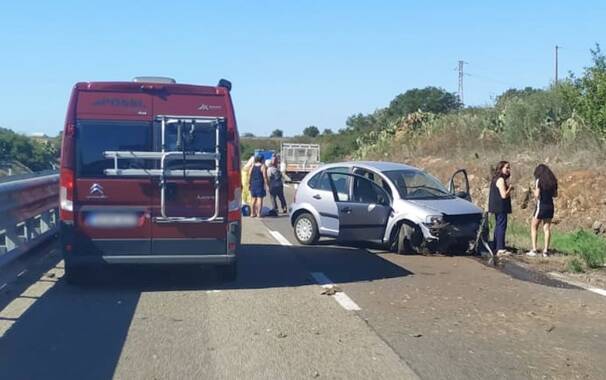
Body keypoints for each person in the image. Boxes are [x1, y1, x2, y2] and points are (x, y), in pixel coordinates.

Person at [527, 164, 558, 257]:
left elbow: (537, 195)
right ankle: (545, 251)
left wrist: (532, 190)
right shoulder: (553, 181)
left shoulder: (539, 181)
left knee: (534, 226)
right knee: (547, 228)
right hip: (550, 206)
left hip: (541, 206)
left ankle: (534, 249)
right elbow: (555, 195)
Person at [488, 161, 514, 256]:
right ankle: (500, 248)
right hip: (500, 207)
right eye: (506, 167)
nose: (508, 170)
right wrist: (510, 189)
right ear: (501, 168)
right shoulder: (500, 180)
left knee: (498, 226)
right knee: (501, 226)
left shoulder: (495, 179)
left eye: (509, 168)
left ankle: (496, 246)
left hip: (497, 207)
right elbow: (503, 195)